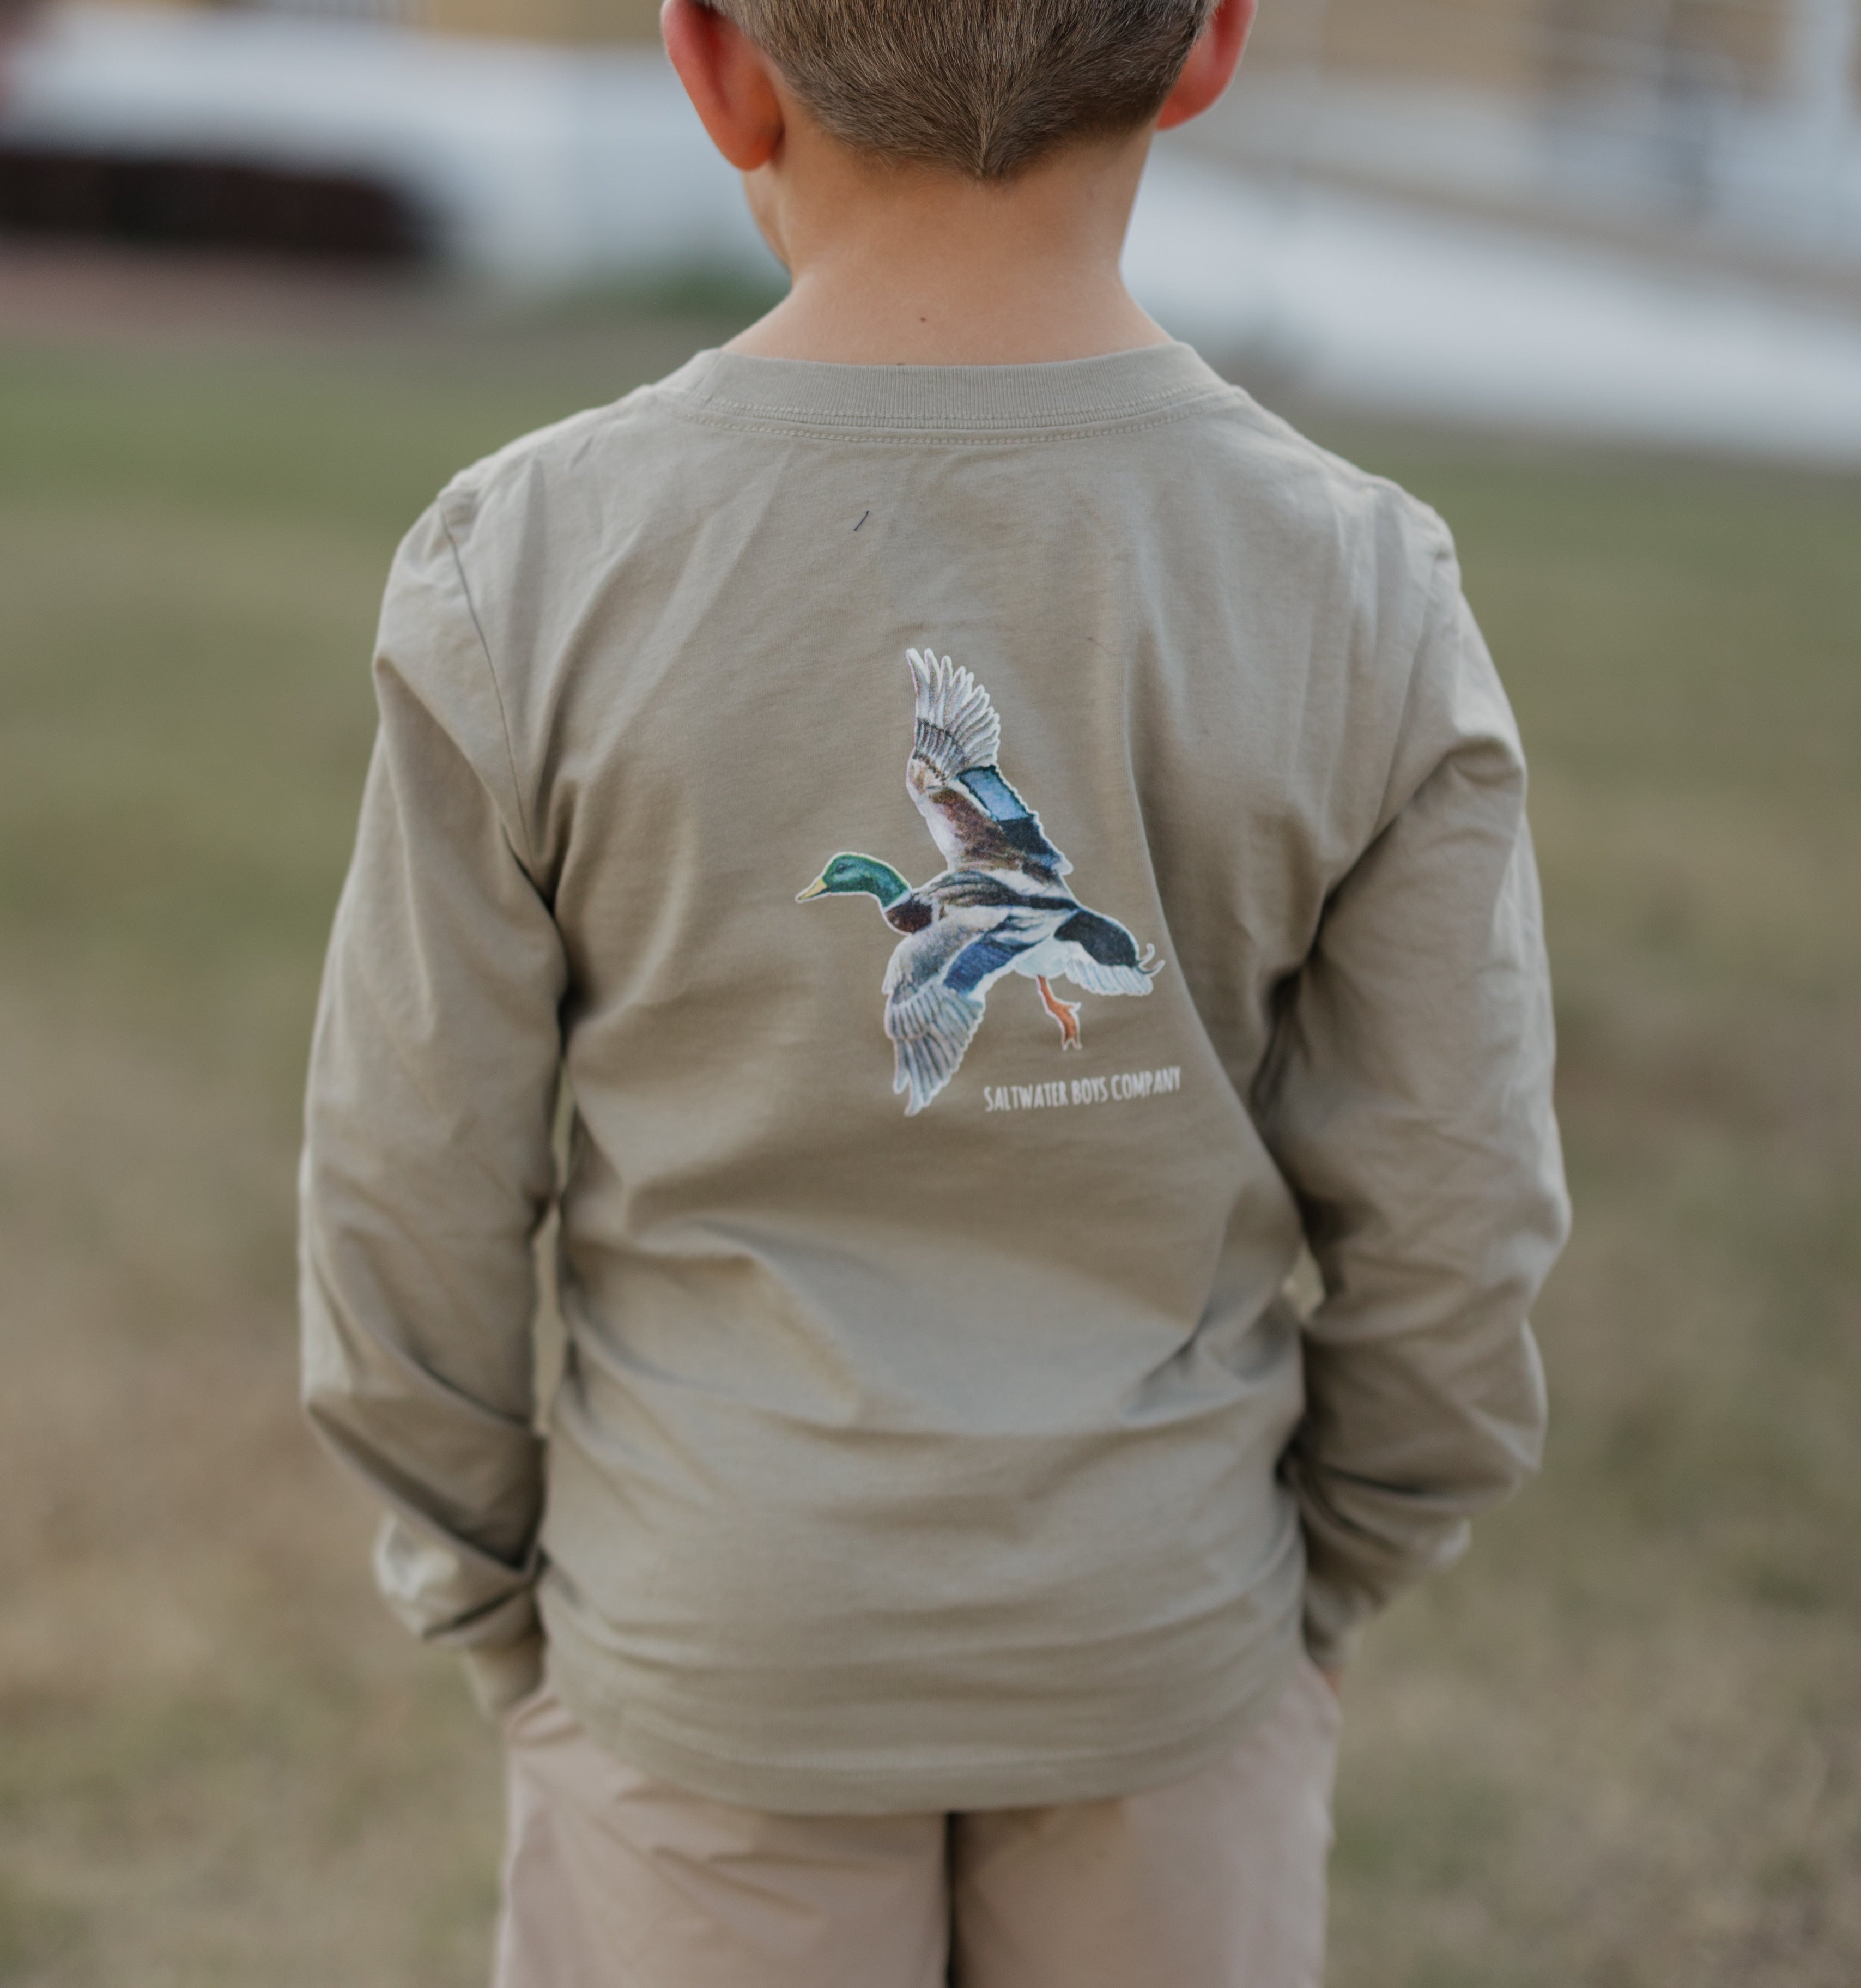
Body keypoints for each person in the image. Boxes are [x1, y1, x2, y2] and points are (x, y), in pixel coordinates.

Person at [298, 1, 1569, 1980]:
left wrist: (490, 1606)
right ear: (1209, 43)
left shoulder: (525, 567)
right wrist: (1312, 1585)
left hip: (714, 1649)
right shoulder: (1360, 586)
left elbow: (408, 1182)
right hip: (1162, 1641)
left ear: (714, 63)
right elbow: (1460, 1207)